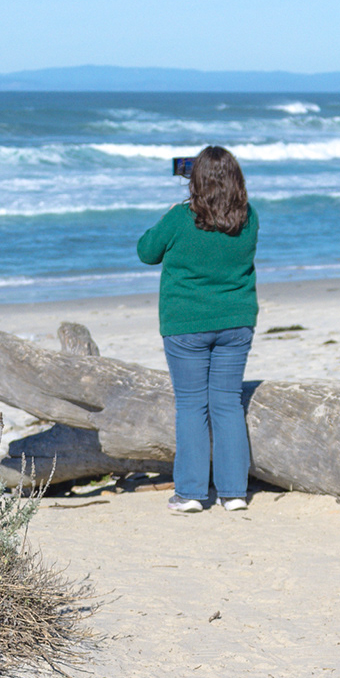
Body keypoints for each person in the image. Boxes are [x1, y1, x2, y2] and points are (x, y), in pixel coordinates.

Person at [136, 145, 259, 514]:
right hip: (236, 321)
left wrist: (172, 212)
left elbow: (146, 251)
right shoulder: (249, 217)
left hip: (186, 323)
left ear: (195, 180)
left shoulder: (179, 217)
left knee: (192, 405)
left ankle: (190, 493)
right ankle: (234, 492)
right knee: (227, 404)